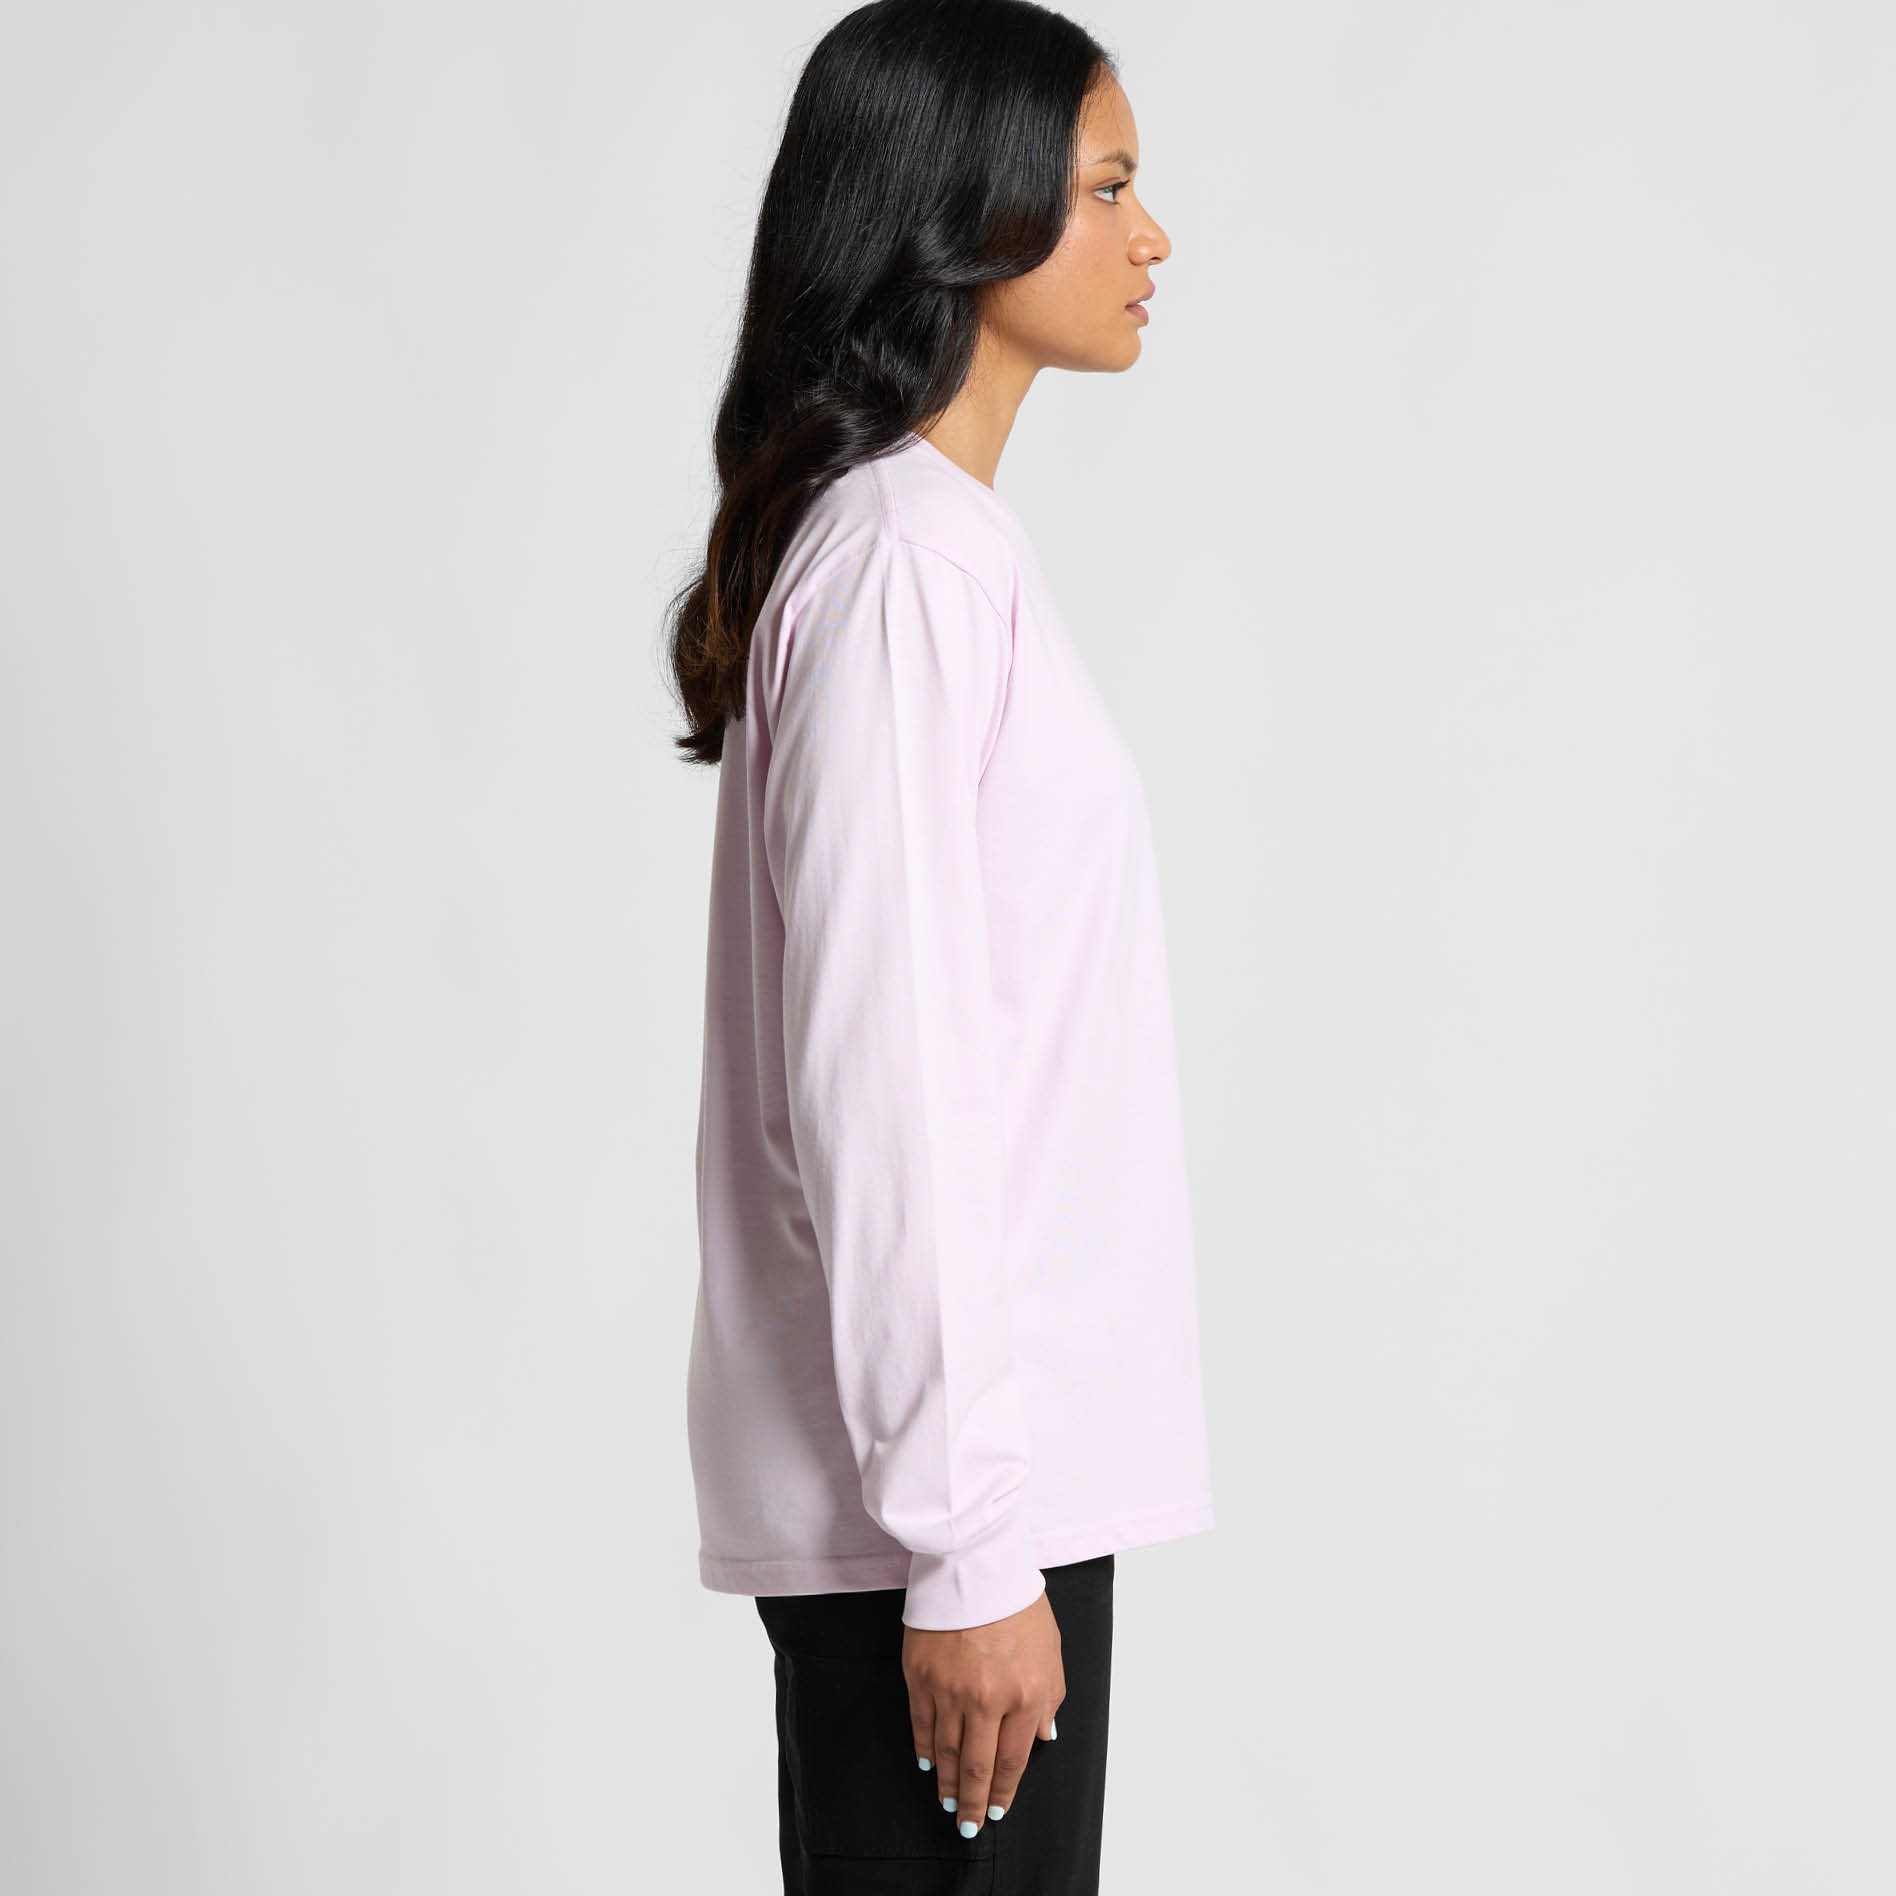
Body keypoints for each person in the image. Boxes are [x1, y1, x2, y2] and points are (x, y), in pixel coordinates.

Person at [663, 3, 1212, 1889]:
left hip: (964, 1507)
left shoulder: (924, 549)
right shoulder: (904, 560)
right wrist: (970, 1547)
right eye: (1110, 188)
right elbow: (884, 1079)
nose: (1153, 235)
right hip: (950, 1532)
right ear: (967, 217)